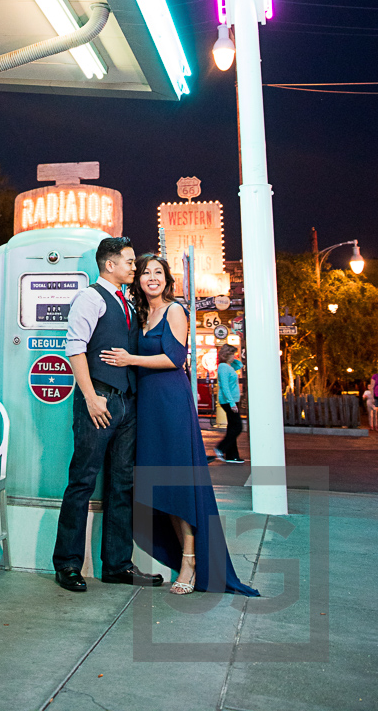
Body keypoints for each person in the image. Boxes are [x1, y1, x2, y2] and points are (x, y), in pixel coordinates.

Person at [104, 253, 258, 597]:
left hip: (171, 405)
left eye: (158, 272)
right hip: (146, 406)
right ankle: (181, 554)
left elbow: (174, 358)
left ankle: (189, 561)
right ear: (138, 280)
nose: (151, 278)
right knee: (158, 483)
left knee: (178, 484)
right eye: (145, 273)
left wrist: (130, 358)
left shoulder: (175, 310)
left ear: (167, 279)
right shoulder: (141, 313)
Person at [52, 237, 164, 592]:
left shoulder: (126, 301)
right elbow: (75, 347)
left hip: (126, 403)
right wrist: (90, 396)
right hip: (98, 401)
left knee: (122, 484)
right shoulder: (90, 297)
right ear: (110, 264)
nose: (135, 268)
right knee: (82, 481)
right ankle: (67, 565)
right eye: (130, 262)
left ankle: (117, 564)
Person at [215, 345, 244, 463]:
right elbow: (225, 387)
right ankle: (221, 448)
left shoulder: (228, 366)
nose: (234, 356)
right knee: (237, 427)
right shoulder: (223, 367)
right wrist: (232, 403)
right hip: (228, 401)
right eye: (232, 354)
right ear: (227, 354)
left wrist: (232, 359)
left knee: (232, 427)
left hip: (232, 400)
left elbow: (240, 365)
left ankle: (232, 456)